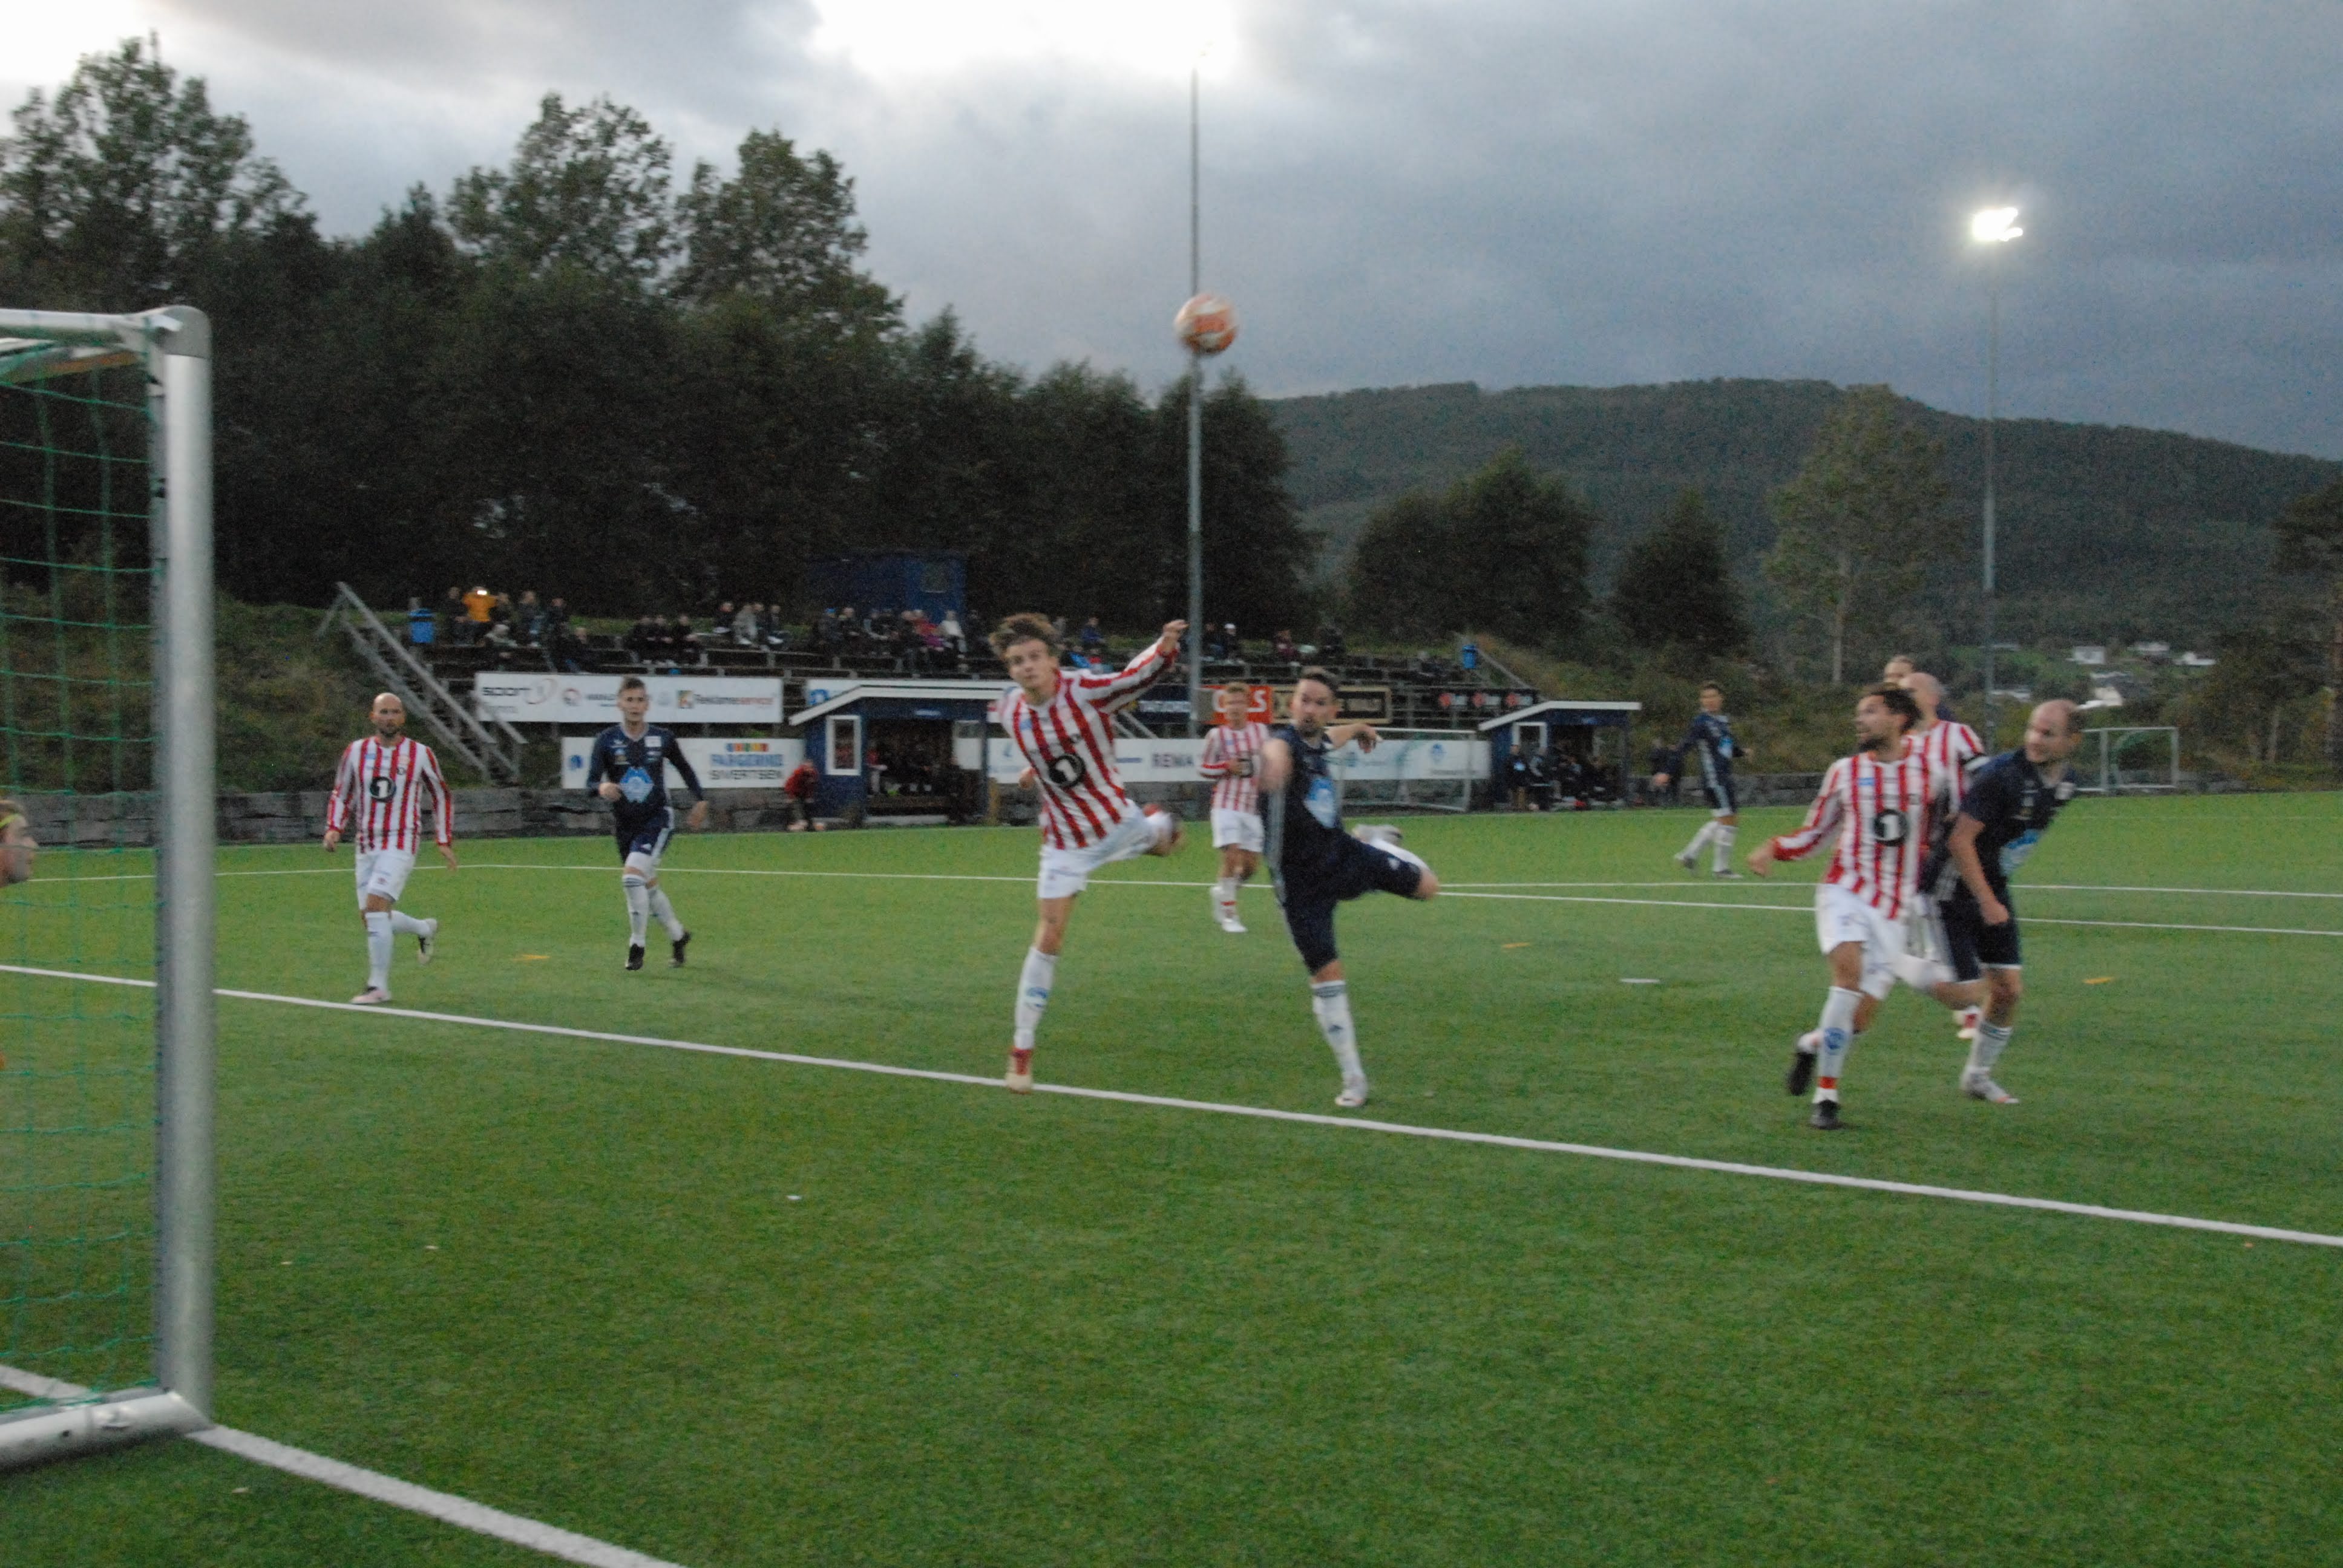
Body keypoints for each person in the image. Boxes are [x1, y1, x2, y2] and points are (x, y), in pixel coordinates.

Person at [991, 611, 1187, 1094]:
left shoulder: (1085, 692)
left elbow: (1134, 677)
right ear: (1010, 669)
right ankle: (1021, 1049)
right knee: (1050, 935)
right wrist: (1033, 771)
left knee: (1167, 844)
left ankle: (1158, 824)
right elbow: (1047, 749)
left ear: (1053, 660)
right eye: (1017, 661)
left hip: (1116, 823)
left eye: (1034, 657)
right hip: (1065, 843)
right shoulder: (1010, 711)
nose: (1027, 666)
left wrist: (1163, 647)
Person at [1746, 684, 1941, 1130]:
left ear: (1898, 719)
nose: (1860, 720)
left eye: (1870, 711)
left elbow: (1945, 830)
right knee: (1847, 980)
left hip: (1895, 909)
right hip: (1845, 891)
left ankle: (1810, 1045)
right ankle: (1827, 1097)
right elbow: (1816, 834)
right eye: (1859, 712)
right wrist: (1773, 847)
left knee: (1860, 1020)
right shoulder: (1845, 772)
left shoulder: (1930, 772)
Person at [1257, 668, 1441, 1109]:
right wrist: (1271, 769)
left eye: (1320, 703)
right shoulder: (1281, 743)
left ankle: (1375, 842)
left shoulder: (1321, 741)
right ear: (1291, 703)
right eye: (1304, 700)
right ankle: (1354, 1078)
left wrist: (1359, 728)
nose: (1310, 709)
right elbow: (1276, 754)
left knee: (1429, 887)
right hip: (1300, 885)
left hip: (1342, 856)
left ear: (1331, 710)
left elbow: (1333, 738)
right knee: (1328, 978)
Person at [1914, 700, 2085, 1104]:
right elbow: (1960, 841)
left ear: (2073, 740)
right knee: (1964, 995)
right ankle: (1893, 961)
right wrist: (1988, 900)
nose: (2034, 739)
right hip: (1951, 887)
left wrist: (1995, 886)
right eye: (2032, 729)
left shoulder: (2068, 783)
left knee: (2007, 990)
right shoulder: (2003, 776)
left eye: (2047, 733)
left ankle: (1977, 1076)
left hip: (1992, 884)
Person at [323, 693, 456, 1005]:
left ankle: (378, 987)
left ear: (403, 718)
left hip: (401, 841)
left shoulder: (420, 754)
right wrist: (334, 827)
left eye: (395, 712)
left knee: (375, 909)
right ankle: (424, 928)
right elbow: (342, 792)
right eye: (384, 712)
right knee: (372, 918)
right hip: (366, 842)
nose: (390, 717)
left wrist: (443, 839)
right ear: (373, 717)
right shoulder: (356, 751)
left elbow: (441, 795)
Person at [586, 675, 710, 971]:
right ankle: (678, 936)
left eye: (640, 700)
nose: (635, 705)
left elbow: (685, 769)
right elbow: (590, 782)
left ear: (647, 705)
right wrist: (602, 787)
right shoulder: (606, 740)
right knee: (647, 886)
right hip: (625, 825)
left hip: (657, 819)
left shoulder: (662, 738)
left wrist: (700, 799)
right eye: (629, 700)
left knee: (631, 879)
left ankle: (637, 945)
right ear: (619, 704)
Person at [1653, 682, 1746, 878]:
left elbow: (1727, 748)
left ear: (1721, 698)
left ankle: (1689, 855)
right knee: (1728, 821)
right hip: (1714, 779)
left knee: (1727, 820)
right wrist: (1667, 772)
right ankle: (1720, 869)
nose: (1709, 701)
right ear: (1701, 701)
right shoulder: (1701, 723)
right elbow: (1684, 747)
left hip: (1724, 777)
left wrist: (1742, 752)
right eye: (1705, 697)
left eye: (1713, 696)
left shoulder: (1722, 722)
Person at [1198, 684, 1270, 933]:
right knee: (1231, 856)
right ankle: (1230, 915)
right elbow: (1203, 768)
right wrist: (1226, 767)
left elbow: (1269, 761)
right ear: (1224, 707)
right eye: (1230, 703)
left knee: (1250, 867)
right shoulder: (1216, 736)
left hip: (1252, 806)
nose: (1234, 708)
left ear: (1248, 705)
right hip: (1225, 803)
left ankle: (1223, 892)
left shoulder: (1261, 732)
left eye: (1239, 703)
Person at [782, 756, 821, 831]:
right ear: (804, 767)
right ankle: (800, 822)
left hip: (804, 792)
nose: (809, 769)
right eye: (807, 767)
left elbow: (811, 786)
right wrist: (791, 797)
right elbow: (792, 786)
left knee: (807, 807)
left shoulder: (814, 774)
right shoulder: (798, 773)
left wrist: (809, 796)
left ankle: (809, 825)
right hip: (794, 791)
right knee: (796, 806)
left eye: (810, 767)